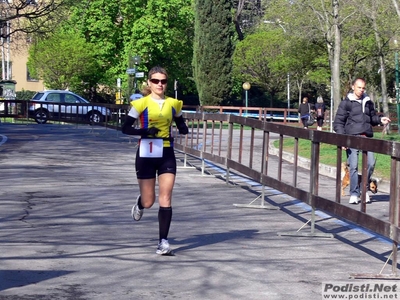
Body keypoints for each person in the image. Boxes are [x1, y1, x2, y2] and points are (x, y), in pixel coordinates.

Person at [121, 66, 189, 255]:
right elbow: (125, 128)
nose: (160, 84)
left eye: (163, 81)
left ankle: (163, 242)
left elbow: (179, 121)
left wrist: (183, 128)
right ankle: (141, 203)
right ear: (149, 83)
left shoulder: (174, 103)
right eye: (156, 81)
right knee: (150, 201)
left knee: (165, 198)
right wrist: (144, 131)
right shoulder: (140, 104)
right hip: (146, 153)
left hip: (166, 153)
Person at [333, 78, 391, 204]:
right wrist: (342, 139)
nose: (361, 90)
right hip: (352, 137)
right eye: (359, 87)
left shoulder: (368, 102)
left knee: (370, 163)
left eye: (363, 88)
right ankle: (354, 193)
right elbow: (338, 123)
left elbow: (372, 117)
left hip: (366, 137)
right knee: (353, 166)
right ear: (353, 87)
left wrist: (380, 120)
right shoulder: (346, 103)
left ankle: (363, 190)